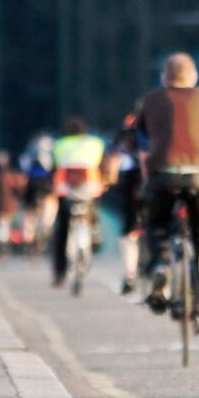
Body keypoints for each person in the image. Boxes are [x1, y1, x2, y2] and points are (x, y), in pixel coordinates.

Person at [135, 53, 199, 329]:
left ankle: (160, 265)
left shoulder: (150, 100)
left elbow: (141, 141)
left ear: (164, 77)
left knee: (156, 224)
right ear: (193, 76)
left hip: (163, 175)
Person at [49, 118, 108, 287]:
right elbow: (102, 166)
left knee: (63, 228)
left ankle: (60, 272)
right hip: (90, 185)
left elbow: (54, 168)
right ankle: (95, 234)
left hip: (65, 187)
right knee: (92, 210)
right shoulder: (95, 143)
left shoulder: (60, 144)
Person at [105, 112, 144, 295]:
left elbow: (113, 159)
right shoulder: (162, 127)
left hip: (132, 183)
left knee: (129, 232)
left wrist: (109, 181)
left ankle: (130, 274)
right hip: (159, 179)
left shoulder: (125, 134)